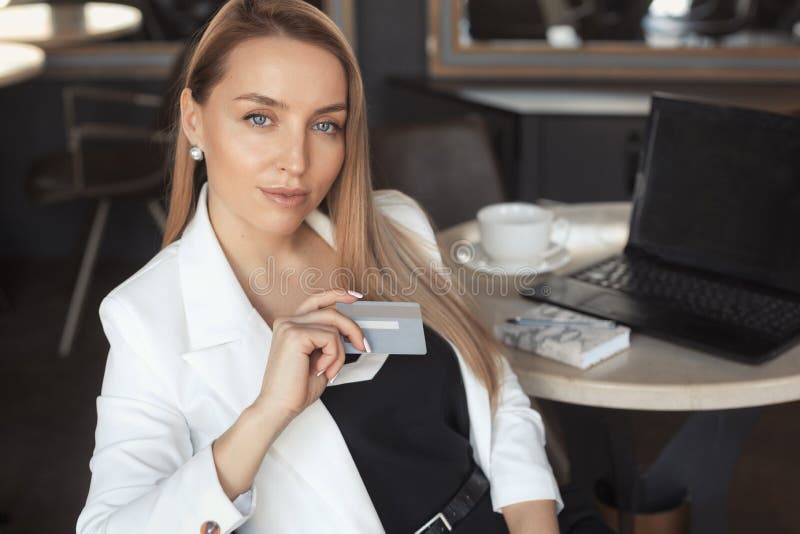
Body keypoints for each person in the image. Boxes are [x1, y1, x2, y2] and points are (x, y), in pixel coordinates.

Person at [75, 1, 563, 532]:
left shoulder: (395, 225)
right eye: (260, 118)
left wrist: (532, 517)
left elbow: (495, 386)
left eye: (325, 125)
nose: (297, 161)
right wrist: (265, 416)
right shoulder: (145, 316)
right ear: (194, 120)